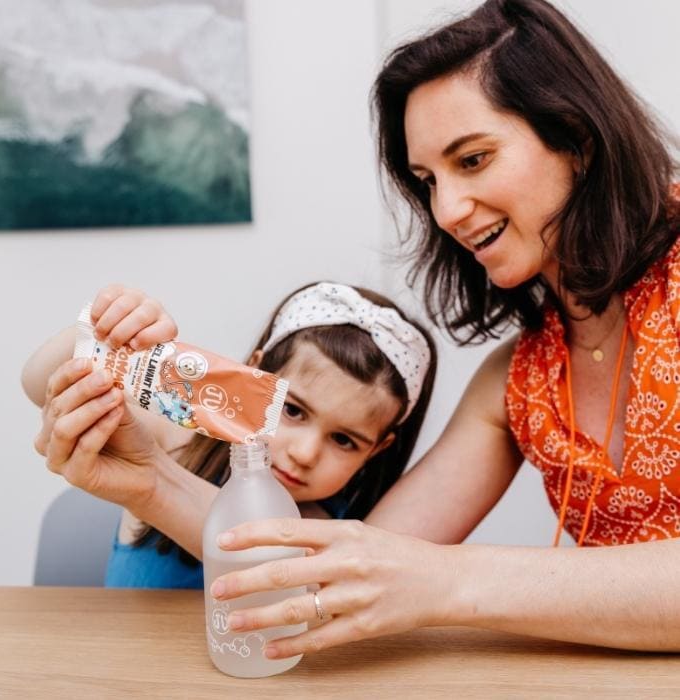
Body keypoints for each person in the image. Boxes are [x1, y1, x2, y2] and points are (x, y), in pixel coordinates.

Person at [194, 0, 680, 657]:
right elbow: (354, 567)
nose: (446, 210)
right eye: (427, 180)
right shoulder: (523, 379)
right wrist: (137, 479)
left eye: (473, 160)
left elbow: (414, 574)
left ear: (578, 140)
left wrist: (449, 581)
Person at [23, 281, 436, 588]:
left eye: (344, 440)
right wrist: (107, 329)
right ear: (254, 373)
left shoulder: (341, 539)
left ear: (378, 449)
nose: (306, 453)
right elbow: (38, 385)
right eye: (292, 410)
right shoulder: (172, 442)